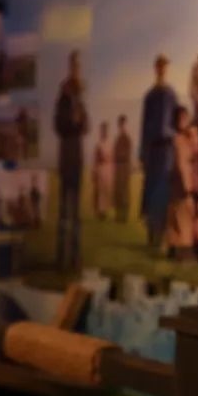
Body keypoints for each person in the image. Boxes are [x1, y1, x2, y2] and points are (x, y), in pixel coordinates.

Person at [54, 50, 88, 272]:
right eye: (74, 65)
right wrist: (71, 121)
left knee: (76, 213)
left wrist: (80, 120)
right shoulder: (63, 99)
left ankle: (74, 257)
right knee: (64, 211)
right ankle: (61, 257)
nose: (77, 70)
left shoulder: (80, 100)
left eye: (79, 66)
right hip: (66, 157)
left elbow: (86, 125)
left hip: (78, 158)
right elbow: (58, 125)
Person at [140, 55, 179, 249]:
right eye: (159, 66)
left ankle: (163, 236)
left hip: (167, 151)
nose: (162, 69)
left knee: (165, 193)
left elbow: (177, 121)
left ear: (167, 69)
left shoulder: (171, 94)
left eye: (164, 66)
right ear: (155, 68)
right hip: (153, 151)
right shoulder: (150, 95)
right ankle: (151, 234)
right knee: (151, 192)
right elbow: (144, 125)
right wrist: (142, 153)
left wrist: (176, 142)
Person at [165, 107, 195, 258]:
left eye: (186, 118)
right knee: (183, 216)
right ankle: (182, 251)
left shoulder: (182, 139)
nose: (185, 121)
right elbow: (181, 164)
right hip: (181, 183)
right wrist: (187, 187)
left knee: (175, 215)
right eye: (182, 118)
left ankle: (173, 248)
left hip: (176, 182)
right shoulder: (179, 141)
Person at [92, 121, 113, 220]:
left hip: (108, 169)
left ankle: (105, 210)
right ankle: (100, 211)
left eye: (105, 130)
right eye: (102, 130)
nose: (104, 132)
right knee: (100, 191)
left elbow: (112, 157)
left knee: (106, 190)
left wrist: (107, 158)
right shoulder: (98, 144)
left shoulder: (110, 144)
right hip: (100, 169)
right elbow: (96, 159)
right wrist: (94, 171)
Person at [113, 114, 132, 223]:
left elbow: (126, 154)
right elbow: (115, 153)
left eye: (122, 124)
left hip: (124, 168)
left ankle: (124, 216)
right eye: (120, 124)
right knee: (118, 192)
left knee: (124, 192)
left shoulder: (126, 138)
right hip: (118, 168)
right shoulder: (118, 138)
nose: (121, 126)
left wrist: (118, 155)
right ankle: (118, 215)